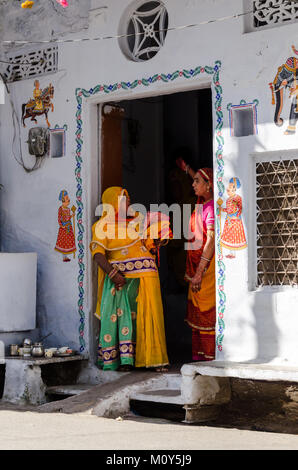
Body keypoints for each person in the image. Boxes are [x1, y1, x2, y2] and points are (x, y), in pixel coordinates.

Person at [89, 186, 170, 372]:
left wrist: (157, 236)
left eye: (127, 199)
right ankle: (125, 361)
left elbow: (147, 244)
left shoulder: (137, 222)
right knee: (124, 319)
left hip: (147, 277)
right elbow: (98, 254)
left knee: (148, 318)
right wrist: (113, 274)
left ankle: (154, 359)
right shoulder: (102, 226)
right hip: (123, 280)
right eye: (122, 200)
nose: (128, 203)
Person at [184, 167, 216, 361]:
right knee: (197, 314)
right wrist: (187, 169)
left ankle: (210, 359)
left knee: (206, 314)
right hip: (197, 271)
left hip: (206, 271)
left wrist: (199, 272)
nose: (193, 184)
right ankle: (201, 358)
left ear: (209, 184)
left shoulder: (211, 208)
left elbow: (211, 240)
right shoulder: (203, 205)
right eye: (193, 180)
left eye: (197, 181)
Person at [218, 177, 247, 258]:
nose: (228, 189)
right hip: (229, 220)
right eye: (228, 187)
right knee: (230, 237)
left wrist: (236, 216)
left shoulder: (237, 198)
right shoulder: (228, 199)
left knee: (234, 237)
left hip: (235, 221)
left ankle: (233, 254)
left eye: (230, 187)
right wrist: (222, 209)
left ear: (234, 189)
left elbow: (240, 208)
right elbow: (228, 209)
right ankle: (231, 253)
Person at [54, 190, 76, 262]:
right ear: (63, 200)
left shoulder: (68, 209)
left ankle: (66, 256)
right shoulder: (61, 209)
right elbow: (59, 218)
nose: (68, 201)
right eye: (67, 199)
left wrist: (71, 216)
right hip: (64, 227)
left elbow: (68, 217)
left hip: (69, 226)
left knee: (68, 241)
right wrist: (61, 225)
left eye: (68, 199)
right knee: (64, 243)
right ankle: (64, 257)